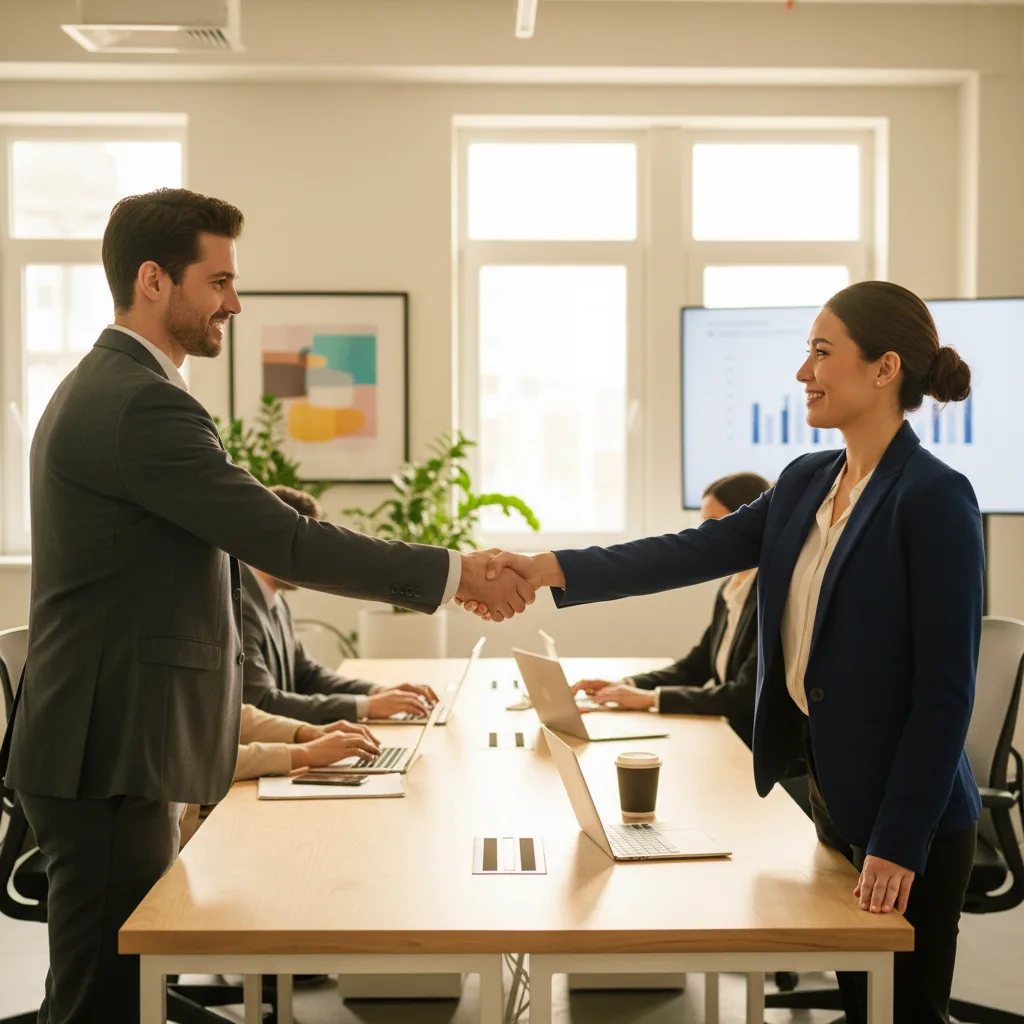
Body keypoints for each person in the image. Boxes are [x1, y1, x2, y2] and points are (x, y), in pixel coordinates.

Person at [0, 187, 533, 1024]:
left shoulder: (111, 387)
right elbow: (288, 540)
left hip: (108, 743)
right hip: (105, 753)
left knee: (105, 992)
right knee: (103, 1004)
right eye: (218, 282)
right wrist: (455, 572)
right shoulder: (141, 402)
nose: (234, 303)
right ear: (152, 281)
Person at [474, 281, 983, 1024]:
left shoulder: (934, 497)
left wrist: (899, 843)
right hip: (835, 801)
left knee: (904, 1016)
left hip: (915, 821)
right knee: (862, 1008)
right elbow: (689, 551)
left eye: (821, 352)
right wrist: (551, 567)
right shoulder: (810, 481)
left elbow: (945, 693)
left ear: (884, 369)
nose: (803, 372)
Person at [571, 472, 769, 747]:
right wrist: (630, 684)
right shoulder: (732, 588)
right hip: (729, 737)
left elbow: (746, 695)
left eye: (715, 524)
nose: (706, 535)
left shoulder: (770, 595)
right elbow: (695, 668)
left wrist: (652, 700)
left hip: (757, 749)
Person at [242, 485, 440, 724]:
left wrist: (376, 692)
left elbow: (308, 675)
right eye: (305, 546)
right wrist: (366, 707)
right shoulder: (243, 606)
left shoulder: (273, 599)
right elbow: (263, 703)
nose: (314, 558)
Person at [179, 706, 382, 846]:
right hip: (182, 832)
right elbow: (192, 758)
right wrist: (303, 753)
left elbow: (225, 711)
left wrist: (307, 733)